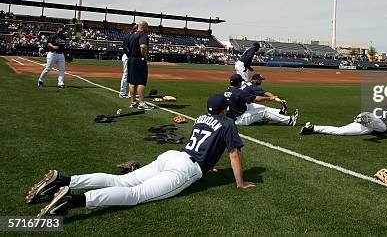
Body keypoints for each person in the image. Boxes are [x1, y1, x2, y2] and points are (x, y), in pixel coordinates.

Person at [28, 94, 255, 217]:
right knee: (135, 194)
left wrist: (210, 166)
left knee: (121, 180)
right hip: (184, 168)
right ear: (225, 109)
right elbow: (233, 154)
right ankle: (72, 200)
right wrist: (241, 183)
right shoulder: (227, 123)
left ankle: (65, 180)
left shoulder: (200, 117)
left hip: (171, 156)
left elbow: (202, 143)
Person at [300, 99, 387, 137]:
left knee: (341, 131)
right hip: (369, 117)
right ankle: (364, 119)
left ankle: (312, 128)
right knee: (381, 126)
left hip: (368, 128)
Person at [225, 74, 298, 126]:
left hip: (234, 115)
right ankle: (289, 120)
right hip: (240, 118)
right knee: (264, 111)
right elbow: (256, 98)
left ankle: (279, 112)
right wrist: (270, 98)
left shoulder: (227, 91)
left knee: (256, 106)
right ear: (238, 83)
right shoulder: (239, 92)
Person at [127, 21, 153, 110]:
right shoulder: (143, 35)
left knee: (132, 81)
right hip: (139, 60)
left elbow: (126, 48)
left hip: (131, 59)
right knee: (141, 81)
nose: (148, 28)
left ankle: (133, 102)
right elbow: (143, 47)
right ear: (143, 26)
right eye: (147, 26)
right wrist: (145, 57)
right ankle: (141, 103)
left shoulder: (132, 35)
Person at [119, 24, 137, 99]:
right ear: (134, 29)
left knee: (132, 75)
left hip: (131, 57)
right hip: (127, 57)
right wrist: (130, 56)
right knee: (126, 74)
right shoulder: (128, 36)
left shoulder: (134, 36)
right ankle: (122, 92)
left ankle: (131, 93)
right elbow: (125, 48)